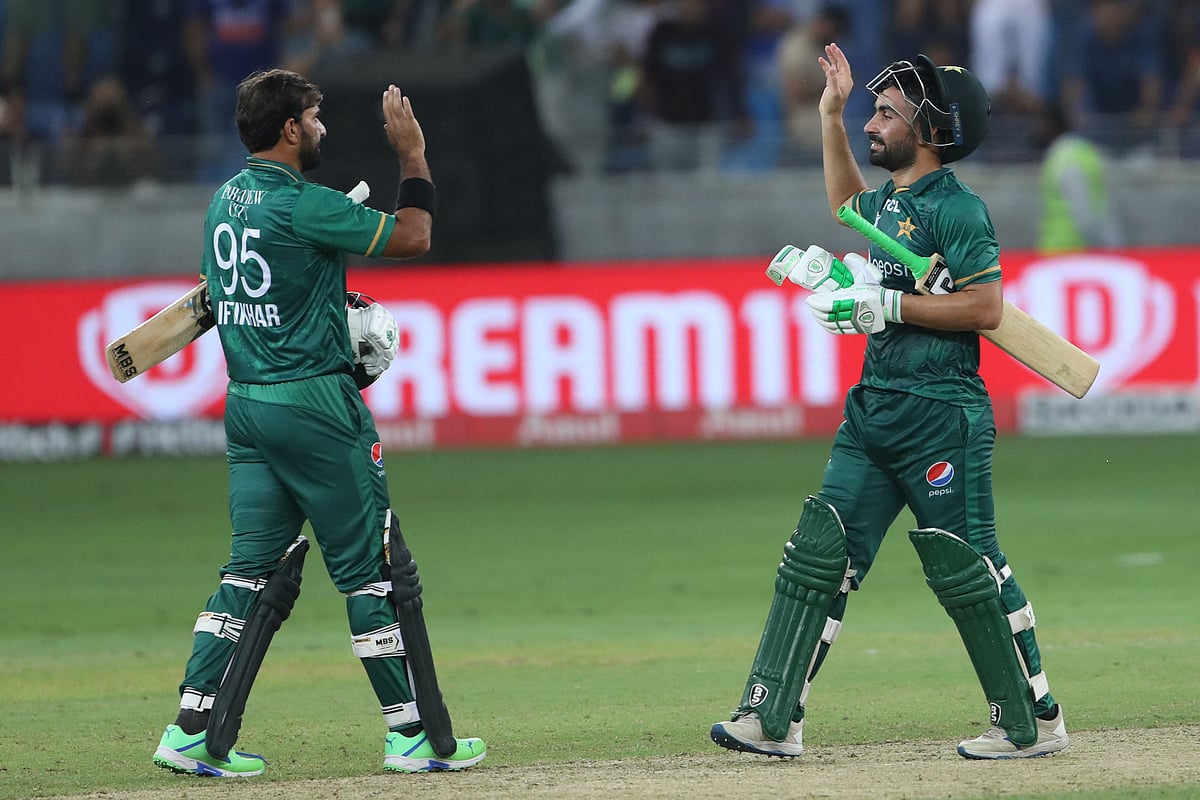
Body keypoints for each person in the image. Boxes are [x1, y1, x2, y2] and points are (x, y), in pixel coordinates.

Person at [710, 44, 1069, 760]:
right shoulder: (891, 205)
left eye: (885, 114)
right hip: (874, 410)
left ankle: (1033, 721)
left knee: (967, 564)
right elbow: (847, 206)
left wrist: (887, 307)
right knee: (821, 552)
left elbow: (987, 307)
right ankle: (771, 718)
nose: (872, 124)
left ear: (932, 129)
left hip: (943, 413)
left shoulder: (960, 209)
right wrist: (831, 115)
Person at [150, 68, 487, 777]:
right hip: (317, 408)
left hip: (248, 408)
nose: (323, 127)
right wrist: (412, 155)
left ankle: (188, 728)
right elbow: (415, 237)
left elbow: (234, 294)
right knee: (370, 572)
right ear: (289, 129)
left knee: (245, 573)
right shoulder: (306, 205)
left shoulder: (223, 202)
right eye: (315, 116)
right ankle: (409, 736)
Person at [1035, 101, 1124, 253]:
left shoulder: (1064, 159)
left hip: (1069, 251)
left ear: (1052, 124)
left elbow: (1083, 211)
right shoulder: (1085, 153)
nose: (1036, 128)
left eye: (1040, 122)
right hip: (1073, 250)